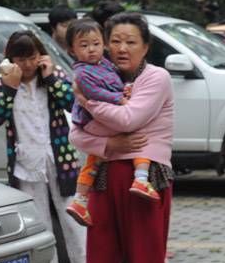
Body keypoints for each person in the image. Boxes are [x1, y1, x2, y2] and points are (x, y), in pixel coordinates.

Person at [68, 12, 175, 263]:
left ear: (145, 46)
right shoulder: (98, 74)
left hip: (146, 182)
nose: (121, 47)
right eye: (115, 40)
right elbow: (76, 136)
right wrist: (110, 143)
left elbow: (129, 119)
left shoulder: (155, 77)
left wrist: (87, 102)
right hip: (102, 180)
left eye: (130, 41)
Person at [0, 31, 86, 263]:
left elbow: (73, 104)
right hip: (26, 163)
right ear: (11, 59)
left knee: (75, 220)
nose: (28, 64)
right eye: (21, 58)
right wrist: (10, 87)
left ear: (40, 55)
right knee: (40, 224)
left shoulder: (51, 77)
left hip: (61, 160)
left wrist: (51, 76)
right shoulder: (3, 82)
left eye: (32, 57)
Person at [63, 18, 158, 228]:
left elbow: (114, 82)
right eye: (84, 46)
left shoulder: (104, 64)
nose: (91, 50)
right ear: (71, 50)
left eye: (96, 44)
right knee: (136, 130)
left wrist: (126, 88)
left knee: (94, 159)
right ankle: (141, 179)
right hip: (90, 120)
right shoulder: (82, 71)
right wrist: (120, 99)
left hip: (96, 119)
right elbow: (94, 92)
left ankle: (80, 199)